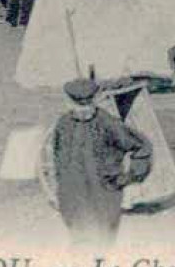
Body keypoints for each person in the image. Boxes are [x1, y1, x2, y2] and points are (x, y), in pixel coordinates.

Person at [50, 77, 152, 248]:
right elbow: (57, 156)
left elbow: (141, 147)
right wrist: (60, 186)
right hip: (73, 195)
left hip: (103, 194)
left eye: (87, 105)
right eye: (78, 106)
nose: (83, 111)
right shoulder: (63, 124)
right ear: (69, 103)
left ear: (94, 101)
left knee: (102, 243)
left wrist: (130, 176)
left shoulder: (108, 123)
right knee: (78, 243)